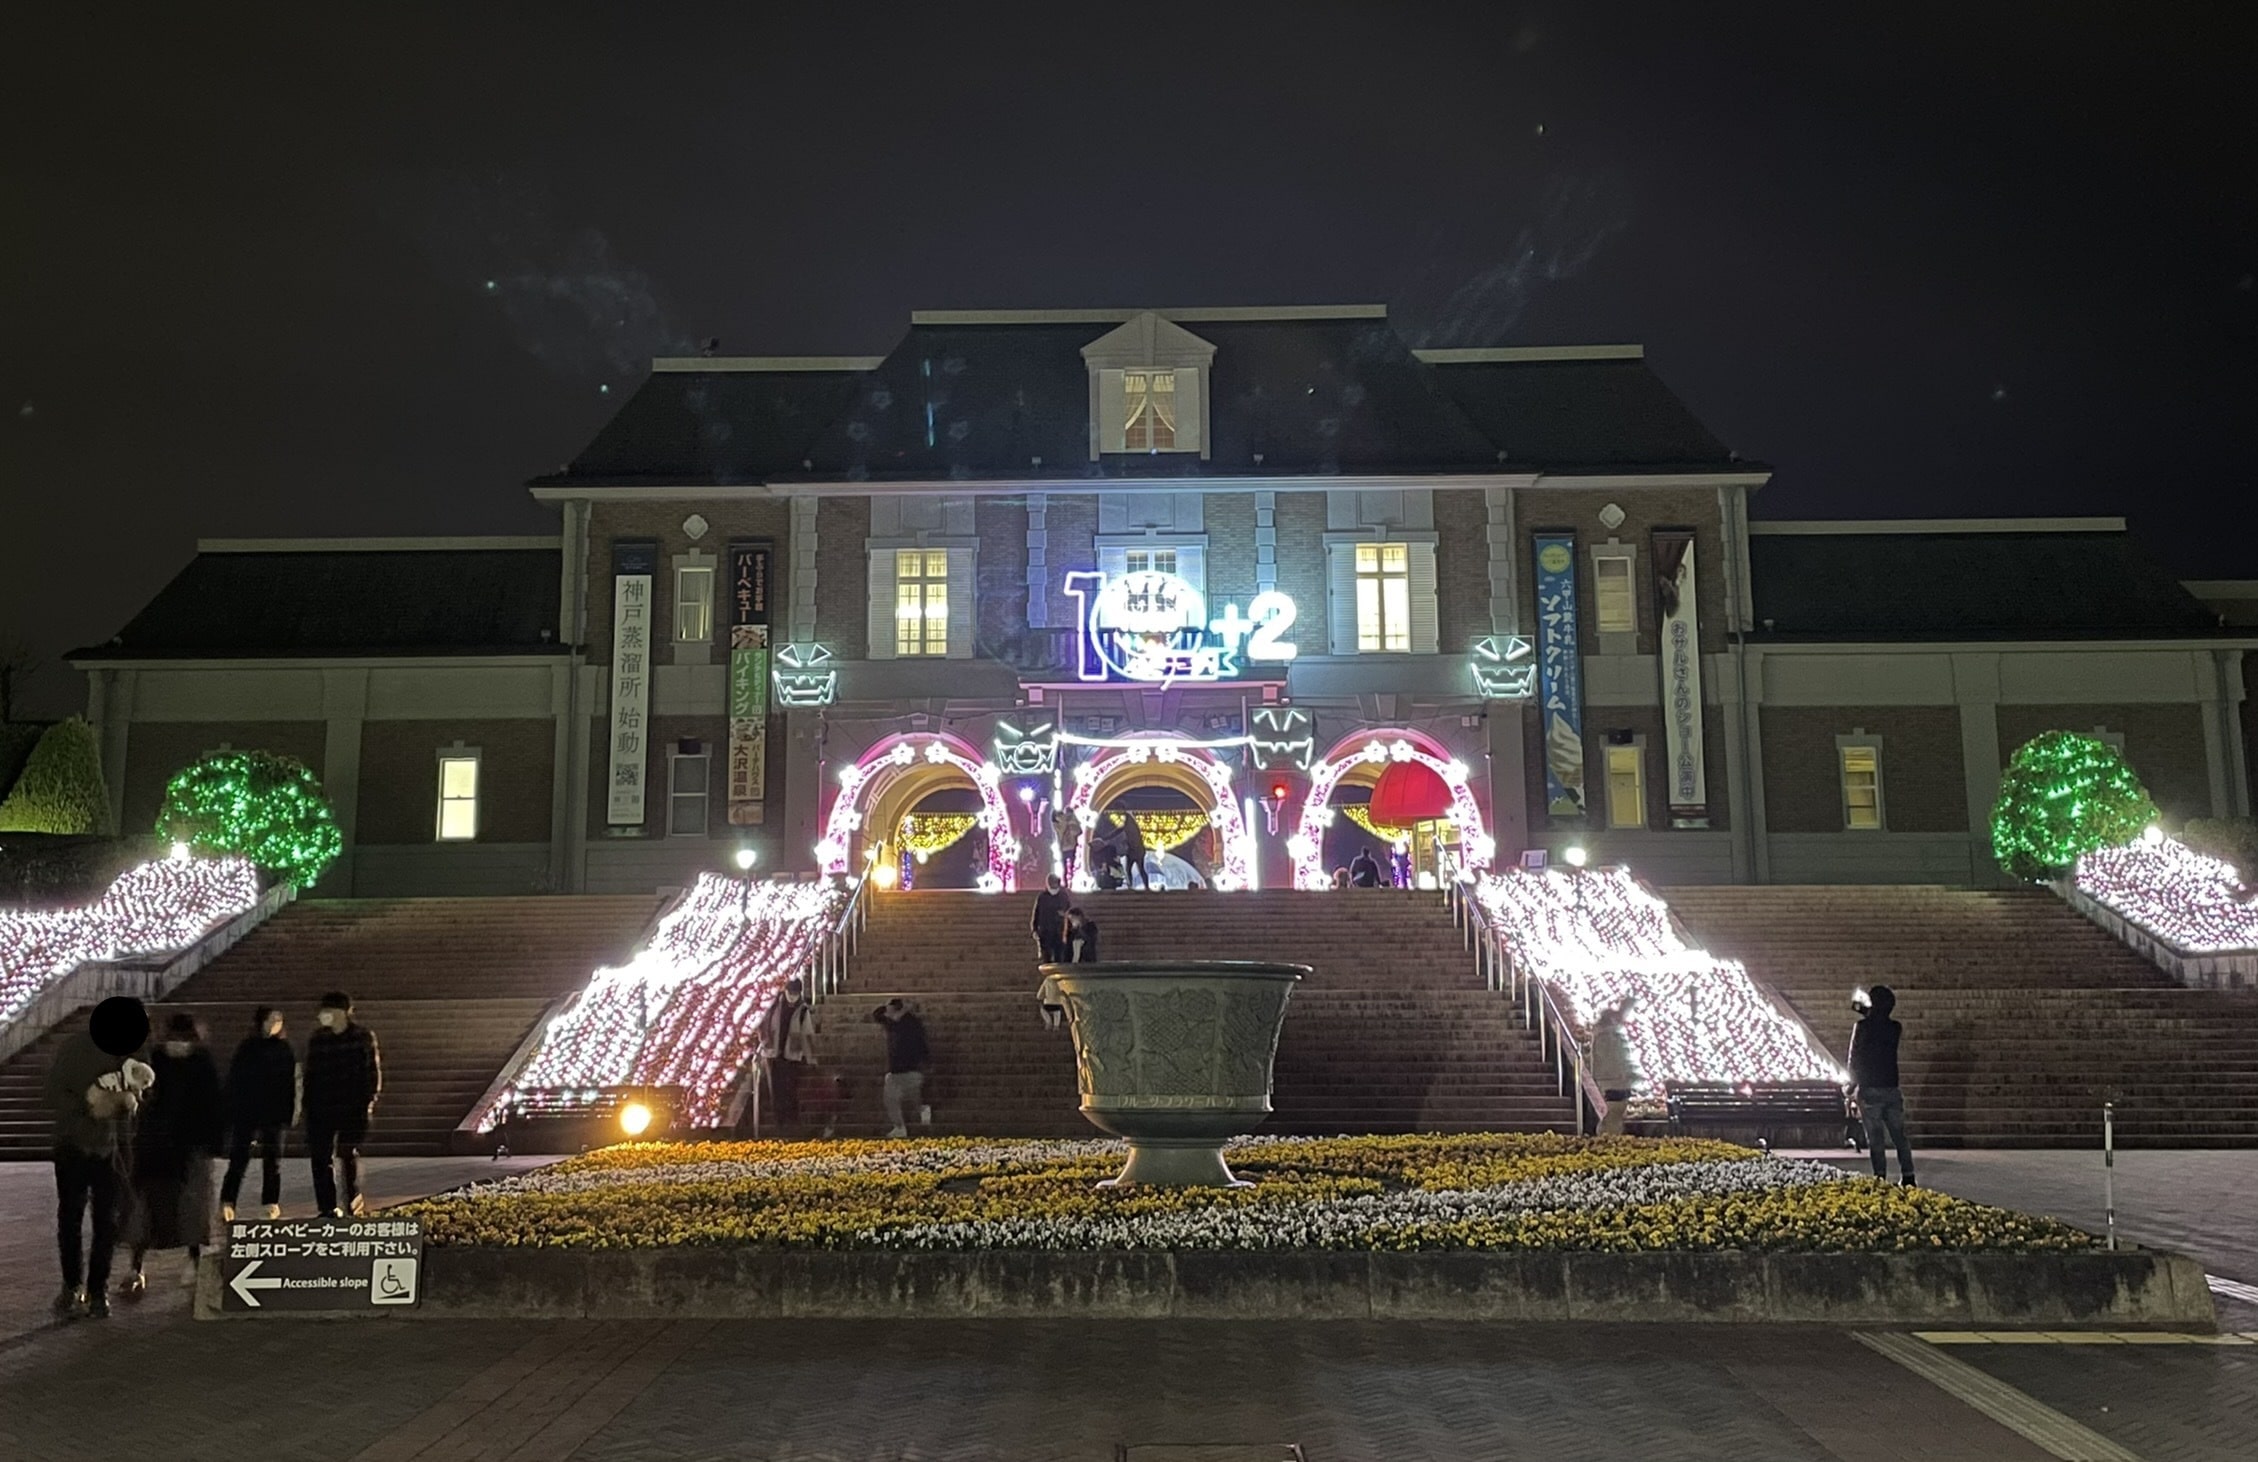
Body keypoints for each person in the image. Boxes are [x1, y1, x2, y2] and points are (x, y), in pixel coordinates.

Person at [45, 995, 151, 1320]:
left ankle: (95, 1289)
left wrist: (128, 1102)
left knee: (105, 1221)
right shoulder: (75, 1049)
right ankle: (74, 1284)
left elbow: (141, 1092)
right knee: (73, 1218)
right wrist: (91, 1108)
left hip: (110, 1148)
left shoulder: (131, 1055)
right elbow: (55, 1094)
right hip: (74, 1145)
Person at [122, 1014, 224, 1296]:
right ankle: (192, 1262)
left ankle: (136, 1267)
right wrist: (215, 1142)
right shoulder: (202, 1062)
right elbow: (214, 1105)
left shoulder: (154, 1059)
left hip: (153, 1146)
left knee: (146, 1208)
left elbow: (142, 1099)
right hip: (188, 1146)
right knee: (190, 1207)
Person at [303, 991, 381, 1217]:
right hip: (321, 1107)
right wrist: (308, 1105)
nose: (323, 1016)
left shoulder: (362, 1037)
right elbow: (310, 1075)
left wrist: (368, 1100)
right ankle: (326, 1207)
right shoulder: (318, 1039)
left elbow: (372, 1073)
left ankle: (352, 1203)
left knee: (347, 1155)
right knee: (320, 1158)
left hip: (351, 1106)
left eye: (328, 1011)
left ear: (343, 1012)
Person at [220, 1006, 297, 1222]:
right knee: (239, 1159)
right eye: (271, 1019)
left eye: (279, 1020)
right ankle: (228, 1201)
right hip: (248, 1111)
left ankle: (270, 1203)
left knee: (273, 1161)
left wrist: (290, 1112)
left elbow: (292, 1083)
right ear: (260, 1022)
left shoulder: (284, 1048)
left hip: (275, 1112)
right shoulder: (247, 1047)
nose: (275, 1024)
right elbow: (235, 1080)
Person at [1848, 985, 1915, 1186]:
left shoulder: (1861, 1027)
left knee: (1876, 1138)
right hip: (1891, 1088)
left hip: (1869, 1088)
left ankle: (1880, 1177)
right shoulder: (1895, 1028)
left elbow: (1855, 1057)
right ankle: (1909, 1175)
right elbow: (1879, 1021)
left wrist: (1852, 1084)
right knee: (1899, 1136)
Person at [869, 998, 931, 1139]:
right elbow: (876, 1014)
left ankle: (906, 1123)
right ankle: (907, 1122)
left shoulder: (909, 1023)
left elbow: (921, 1043)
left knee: (909, 1097)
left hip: (910, 1067)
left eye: (890, 1009)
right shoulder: (893, 1023)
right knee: (895, 1097)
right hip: (900, 1068)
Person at [762, 976, 818, 1129]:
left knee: (790, 1087)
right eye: (790, 992)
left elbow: (807, 1034)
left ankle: (790, 1119)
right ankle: (779, 1119)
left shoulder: (802, 1010)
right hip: (773, 1053)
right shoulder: (773, 1006)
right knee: (776, 1088)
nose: (792, 996)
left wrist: (811, 1057)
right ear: (785, 991)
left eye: (796, 993)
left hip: (792, 1055)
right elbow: (763, 1025)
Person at [1589, 998, 1639, 1137]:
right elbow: (1615, 1060)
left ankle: (1609, 1137)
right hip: (1613, 1081)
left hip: (1614, 1081)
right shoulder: (1609, 1037)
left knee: (1615, 1115)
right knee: (1613, 1114)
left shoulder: (1610, 1036)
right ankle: (1608, 1138)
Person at [1030, 874, 1070, 963]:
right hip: (1045, 932)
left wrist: (1064, 916)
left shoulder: (1063, 896)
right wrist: (1034, 929)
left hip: (1059, 931)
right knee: (1046, 956)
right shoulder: (1042, 897)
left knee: (1059, 956)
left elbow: (1069, 912)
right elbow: (1037, 913)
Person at [1115, 810, 1150, 890]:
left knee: (1138, 869)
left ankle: (1141, 886)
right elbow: (1120, 830)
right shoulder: (1129, 823)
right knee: (1132, 869)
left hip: (1136, 850)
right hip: (1133, 850)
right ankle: (1132, 886)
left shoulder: (1129, 822)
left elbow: (1129, 835)